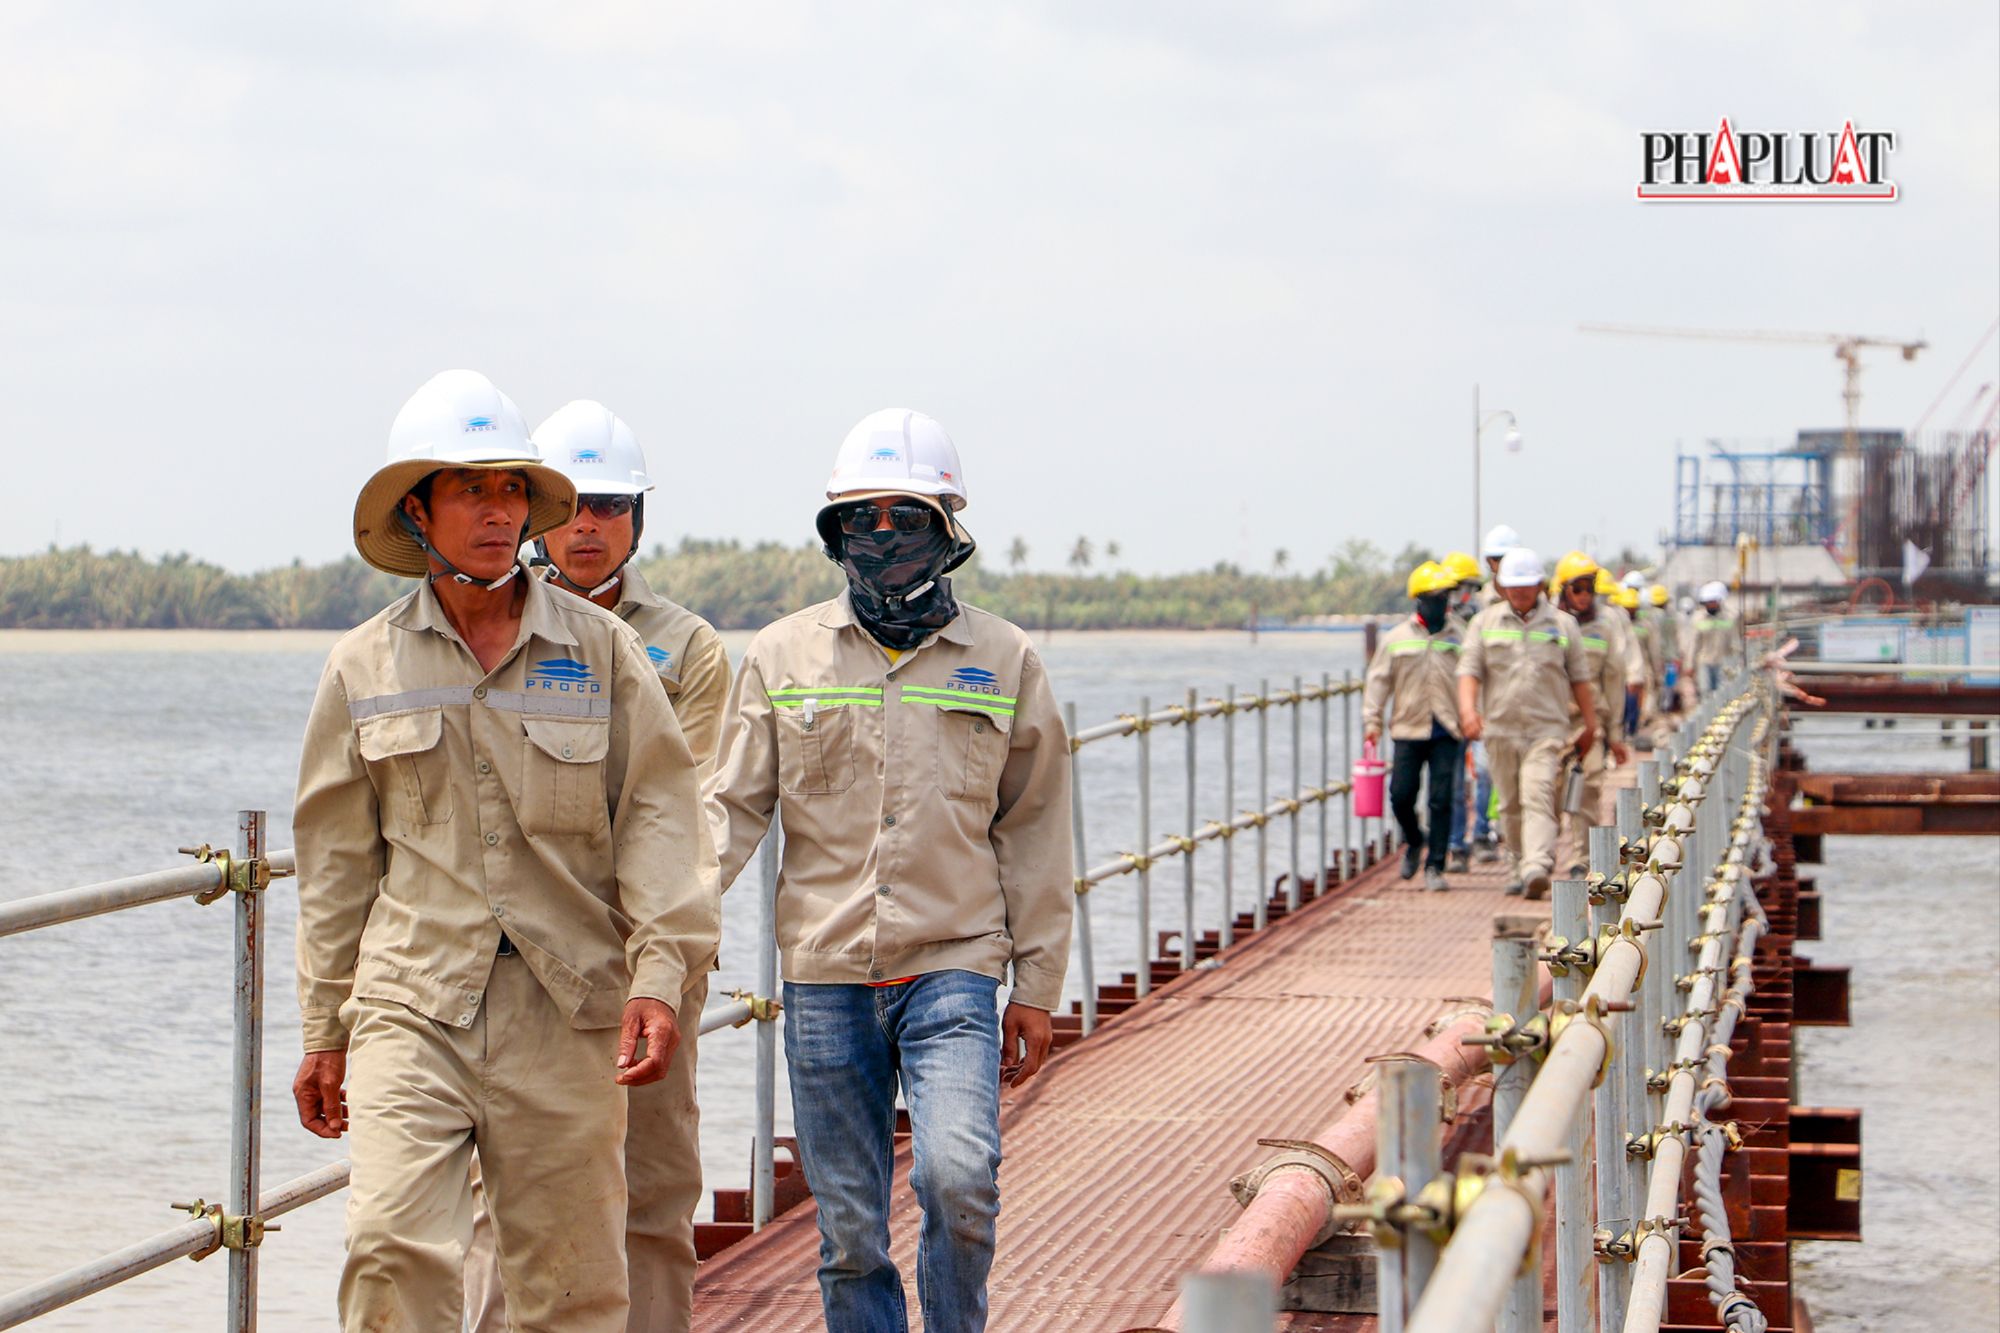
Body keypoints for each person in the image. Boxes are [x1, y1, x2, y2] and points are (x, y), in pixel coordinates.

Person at [292, 370, 721, 1332]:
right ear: (417, 509)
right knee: (390, 1245)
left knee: (570, 1287)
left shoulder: (604, 653)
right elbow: (334, 865)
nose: (496, 511)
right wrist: (324, 1028)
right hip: (411, 1001)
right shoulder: (363, 664)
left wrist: (659, 976)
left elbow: (661, 819)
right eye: (469, 489)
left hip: (566, 1005)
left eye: (510, 489)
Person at [706, 409, 1074, 1333]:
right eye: (860, 518)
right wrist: (661, 937)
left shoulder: (1004, 659)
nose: (882, 535)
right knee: (849, 1231)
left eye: (905, 517)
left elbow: (1034, 828)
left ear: (948, 528)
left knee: (959, 1176)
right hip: (825, 976)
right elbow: (729, 809)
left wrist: (1037, 986)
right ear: (834, 532)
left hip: (953, 967)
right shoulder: (782, 655)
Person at [462, 400, 731, 1333]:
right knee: (506, 1202)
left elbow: (688, 814)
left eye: (611, 505)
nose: (588, 526)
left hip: (648, 960)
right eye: (573, 504)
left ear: (637, 518)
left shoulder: (687, 648)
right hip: (525, 963)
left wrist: (662, 952)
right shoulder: (488, 631)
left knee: (651, 1196)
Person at [1457, 547, 1596, 900]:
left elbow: (1580, 679)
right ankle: (1518, 865)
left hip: (1546, 730)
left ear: (1540, 585)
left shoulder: (1562, 626)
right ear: (1502, 587)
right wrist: (1468, 712)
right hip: (1500, 729)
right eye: (1513, 586)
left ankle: (1538, 864)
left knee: (1538, 794)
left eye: (1525, 585)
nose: (1519, 592)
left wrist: (1591, 724)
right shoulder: (1484, 624)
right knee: (1509, 804)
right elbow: (1469, 671)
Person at [1363, 560, 1464, 892]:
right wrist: (1372, 721)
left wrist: (1475, 716)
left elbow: (1475, 678)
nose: (1440, 604)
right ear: (1419, 600)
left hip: (1447, 729)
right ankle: (1415, 839)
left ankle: (1435, 865)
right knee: (1401, 796)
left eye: (1444, 597)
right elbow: (1378, 682)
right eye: (1433, 598)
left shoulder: (1460, 636)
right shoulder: (1396, 639)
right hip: (1408, 728)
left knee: (1441, 800)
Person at [1552, 553, 1632, 877]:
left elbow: (1613, 682)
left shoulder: (1604, 629)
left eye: (1589, 588)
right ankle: (1538, 857)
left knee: (1587, 788)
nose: (1585, 595)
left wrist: (1614, 735)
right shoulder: (1548, 625)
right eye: (1578, 588)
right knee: (1549, 791)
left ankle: (1581, 859)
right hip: (1551, 723)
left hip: (1590, 724)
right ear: (1563, 590)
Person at [1439, 550, 1486, 872]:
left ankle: (1482, 833)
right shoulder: (1440, 626)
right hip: (1453, 717)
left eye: (1468, 588)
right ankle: (1456, 844)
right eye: (1457, 588)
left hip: (1486, 713)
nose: (1462, 595)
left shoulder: (1486, 621)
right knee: (1454, 785)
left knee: (1487, 775)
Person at [1691, 580, 1742, 695]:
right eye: (1707, 602)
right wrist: (1690, 665)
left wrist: (1738, 660)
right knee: (1706, 692)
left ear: (1719, 601)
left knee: (1723, 693)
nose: (1709, 605)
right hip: (1704, 662)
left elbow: (1736, 641)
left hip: (1724, 662)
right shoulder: (1698, 619)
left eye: (1712, 602)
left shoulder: (1730, 617)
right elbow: (1694, 643)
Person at [1646, 584, 1681, 713]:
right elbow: (1675, 637)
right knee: (1669, 683)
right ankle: (1666, 707)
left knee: (1657, 684)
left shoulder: (1649, 617)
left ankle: (1658, 709)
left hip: (1657, 656)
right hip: (1670, 656)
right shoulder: (1670, 616)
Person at [1477, 525, 1521, 608]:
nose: (1504, 563)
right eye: (1498, 558)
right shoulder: (1478, 602)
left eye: (1509, 557)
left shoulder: (1535, 600)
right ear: (1488, 561)